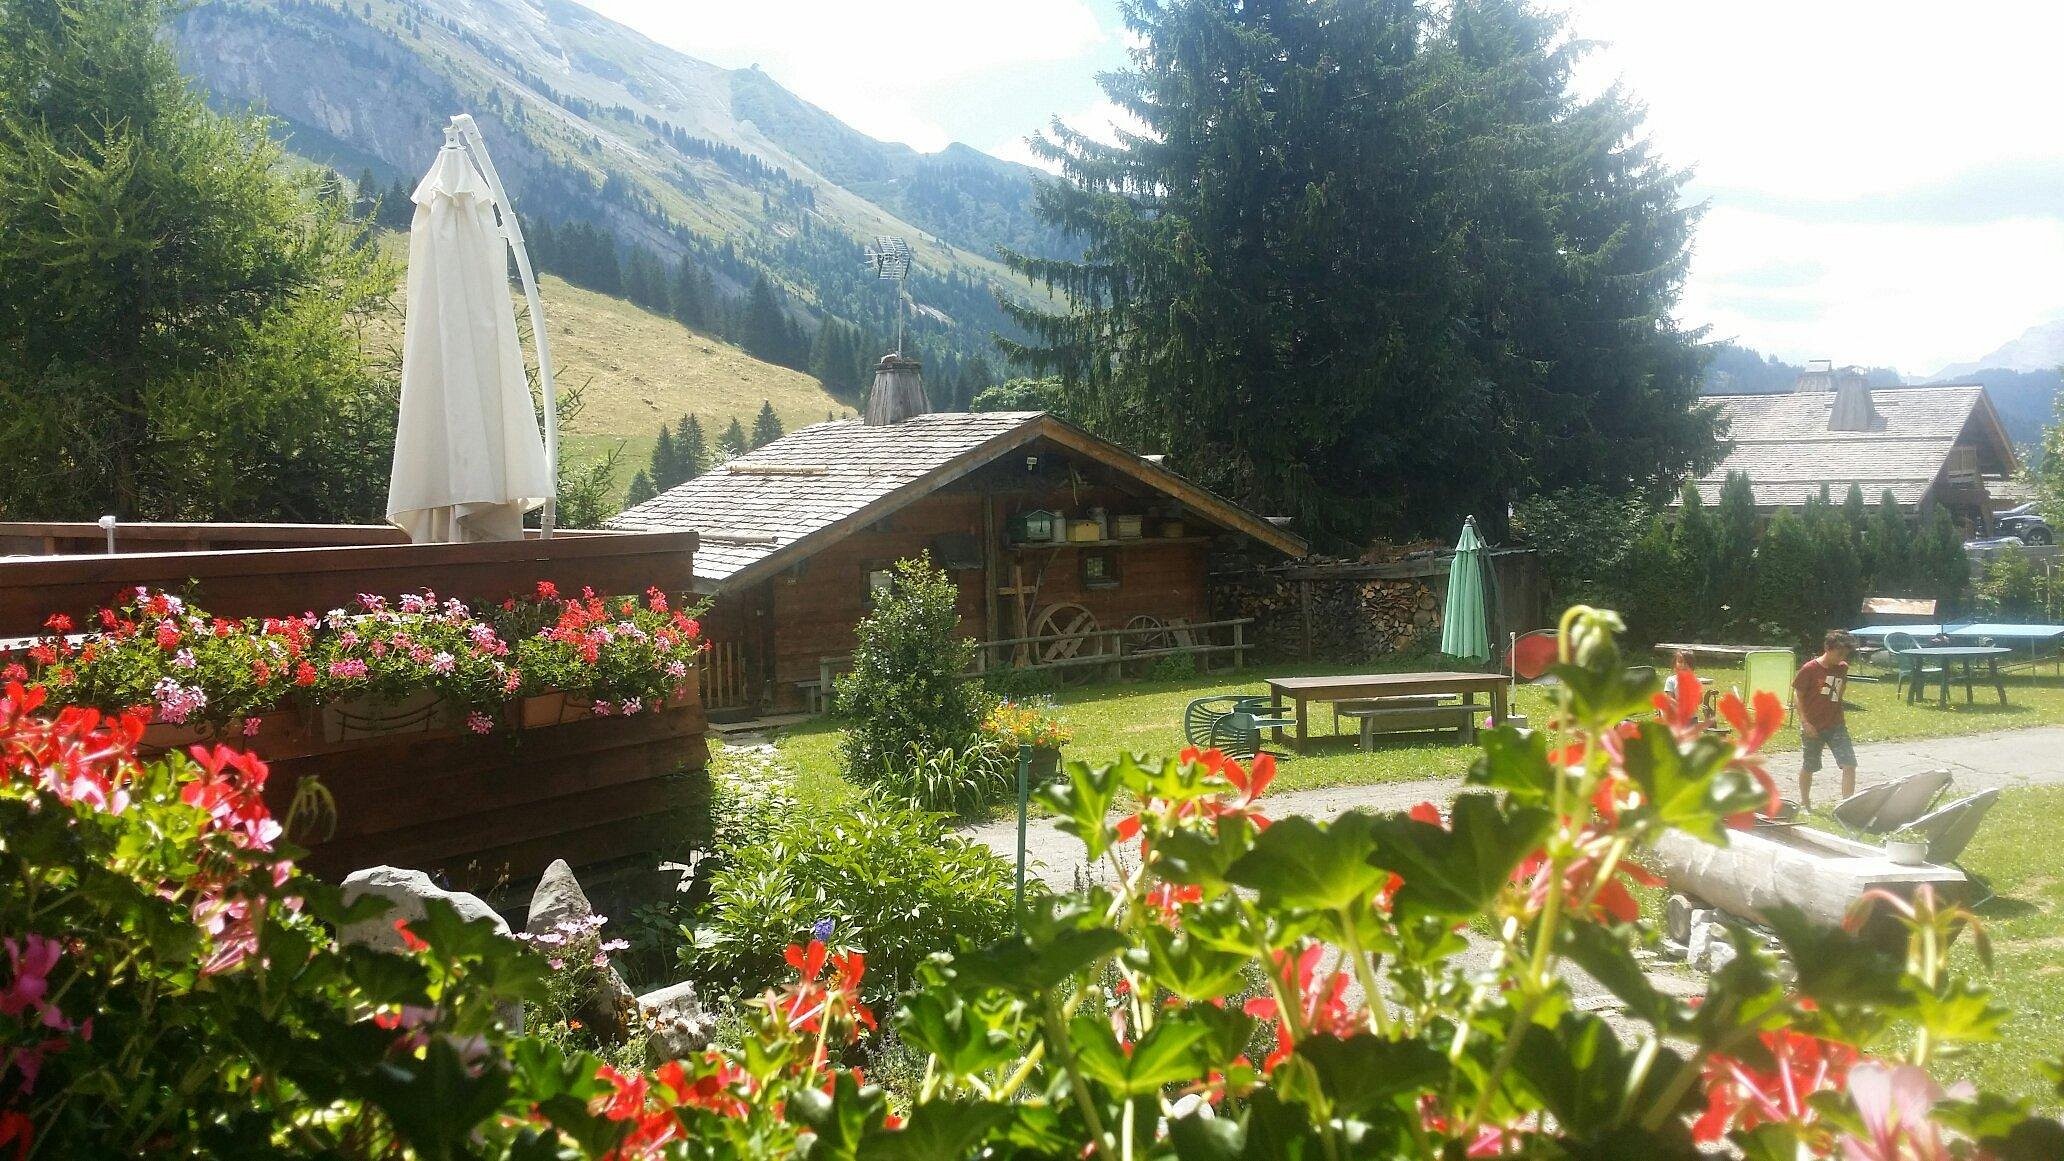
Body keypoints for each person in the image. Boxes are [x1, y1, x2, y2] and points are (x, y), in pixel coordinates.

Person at [1794, 630, 1857, 809]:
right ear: (1827, 648)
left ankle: (1847, 806)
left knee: (1849, 764)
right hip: (1813, 726)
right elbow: (1798, 696)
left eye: (1845, 654)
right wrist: (1805, 722)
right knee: (1810, 765)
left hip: (1836, 724)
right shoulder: (1810, 669)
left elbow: (1839, 692)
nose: (1842, 657)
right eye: (1839, 653)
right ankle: (1805, 802)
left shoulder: (1843, 668)